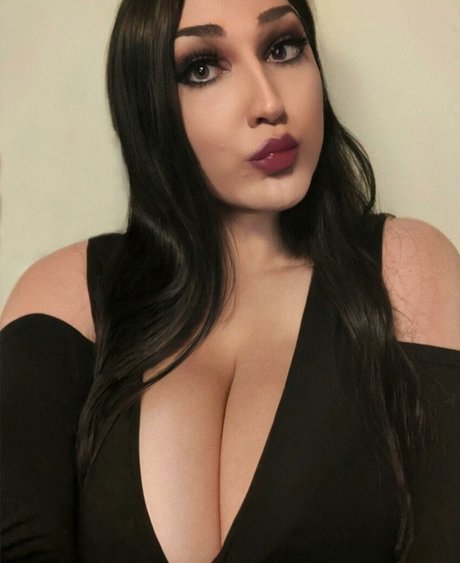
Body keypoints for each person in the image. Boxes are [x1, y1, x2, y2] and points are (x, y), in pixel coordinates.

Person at [1, 0, 459, 561]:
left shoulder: (403, 268)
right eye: (201, 69)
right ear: (148, 103)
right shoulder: (66, 295)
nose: (269, 103)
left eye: (282, 48)